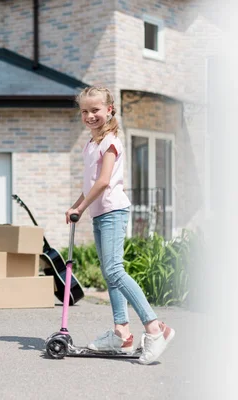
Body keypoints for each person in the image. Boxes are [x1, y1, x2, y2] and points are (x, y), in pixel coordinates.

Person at [65, 86, 175, 365]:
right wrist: (77, 205)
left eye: (95, 110)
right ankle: (121, 333)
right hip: (99, 212)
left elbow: (103, 182)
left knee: (115, 271)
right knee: (110, 273)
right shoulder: (90, 144)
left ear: (109, 110)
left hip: (113, 210)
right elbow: (90, 184)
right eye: (85, 111)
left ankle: (155, 329)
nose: (90, 115)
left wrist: (81, 206)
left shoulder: (110, 141)